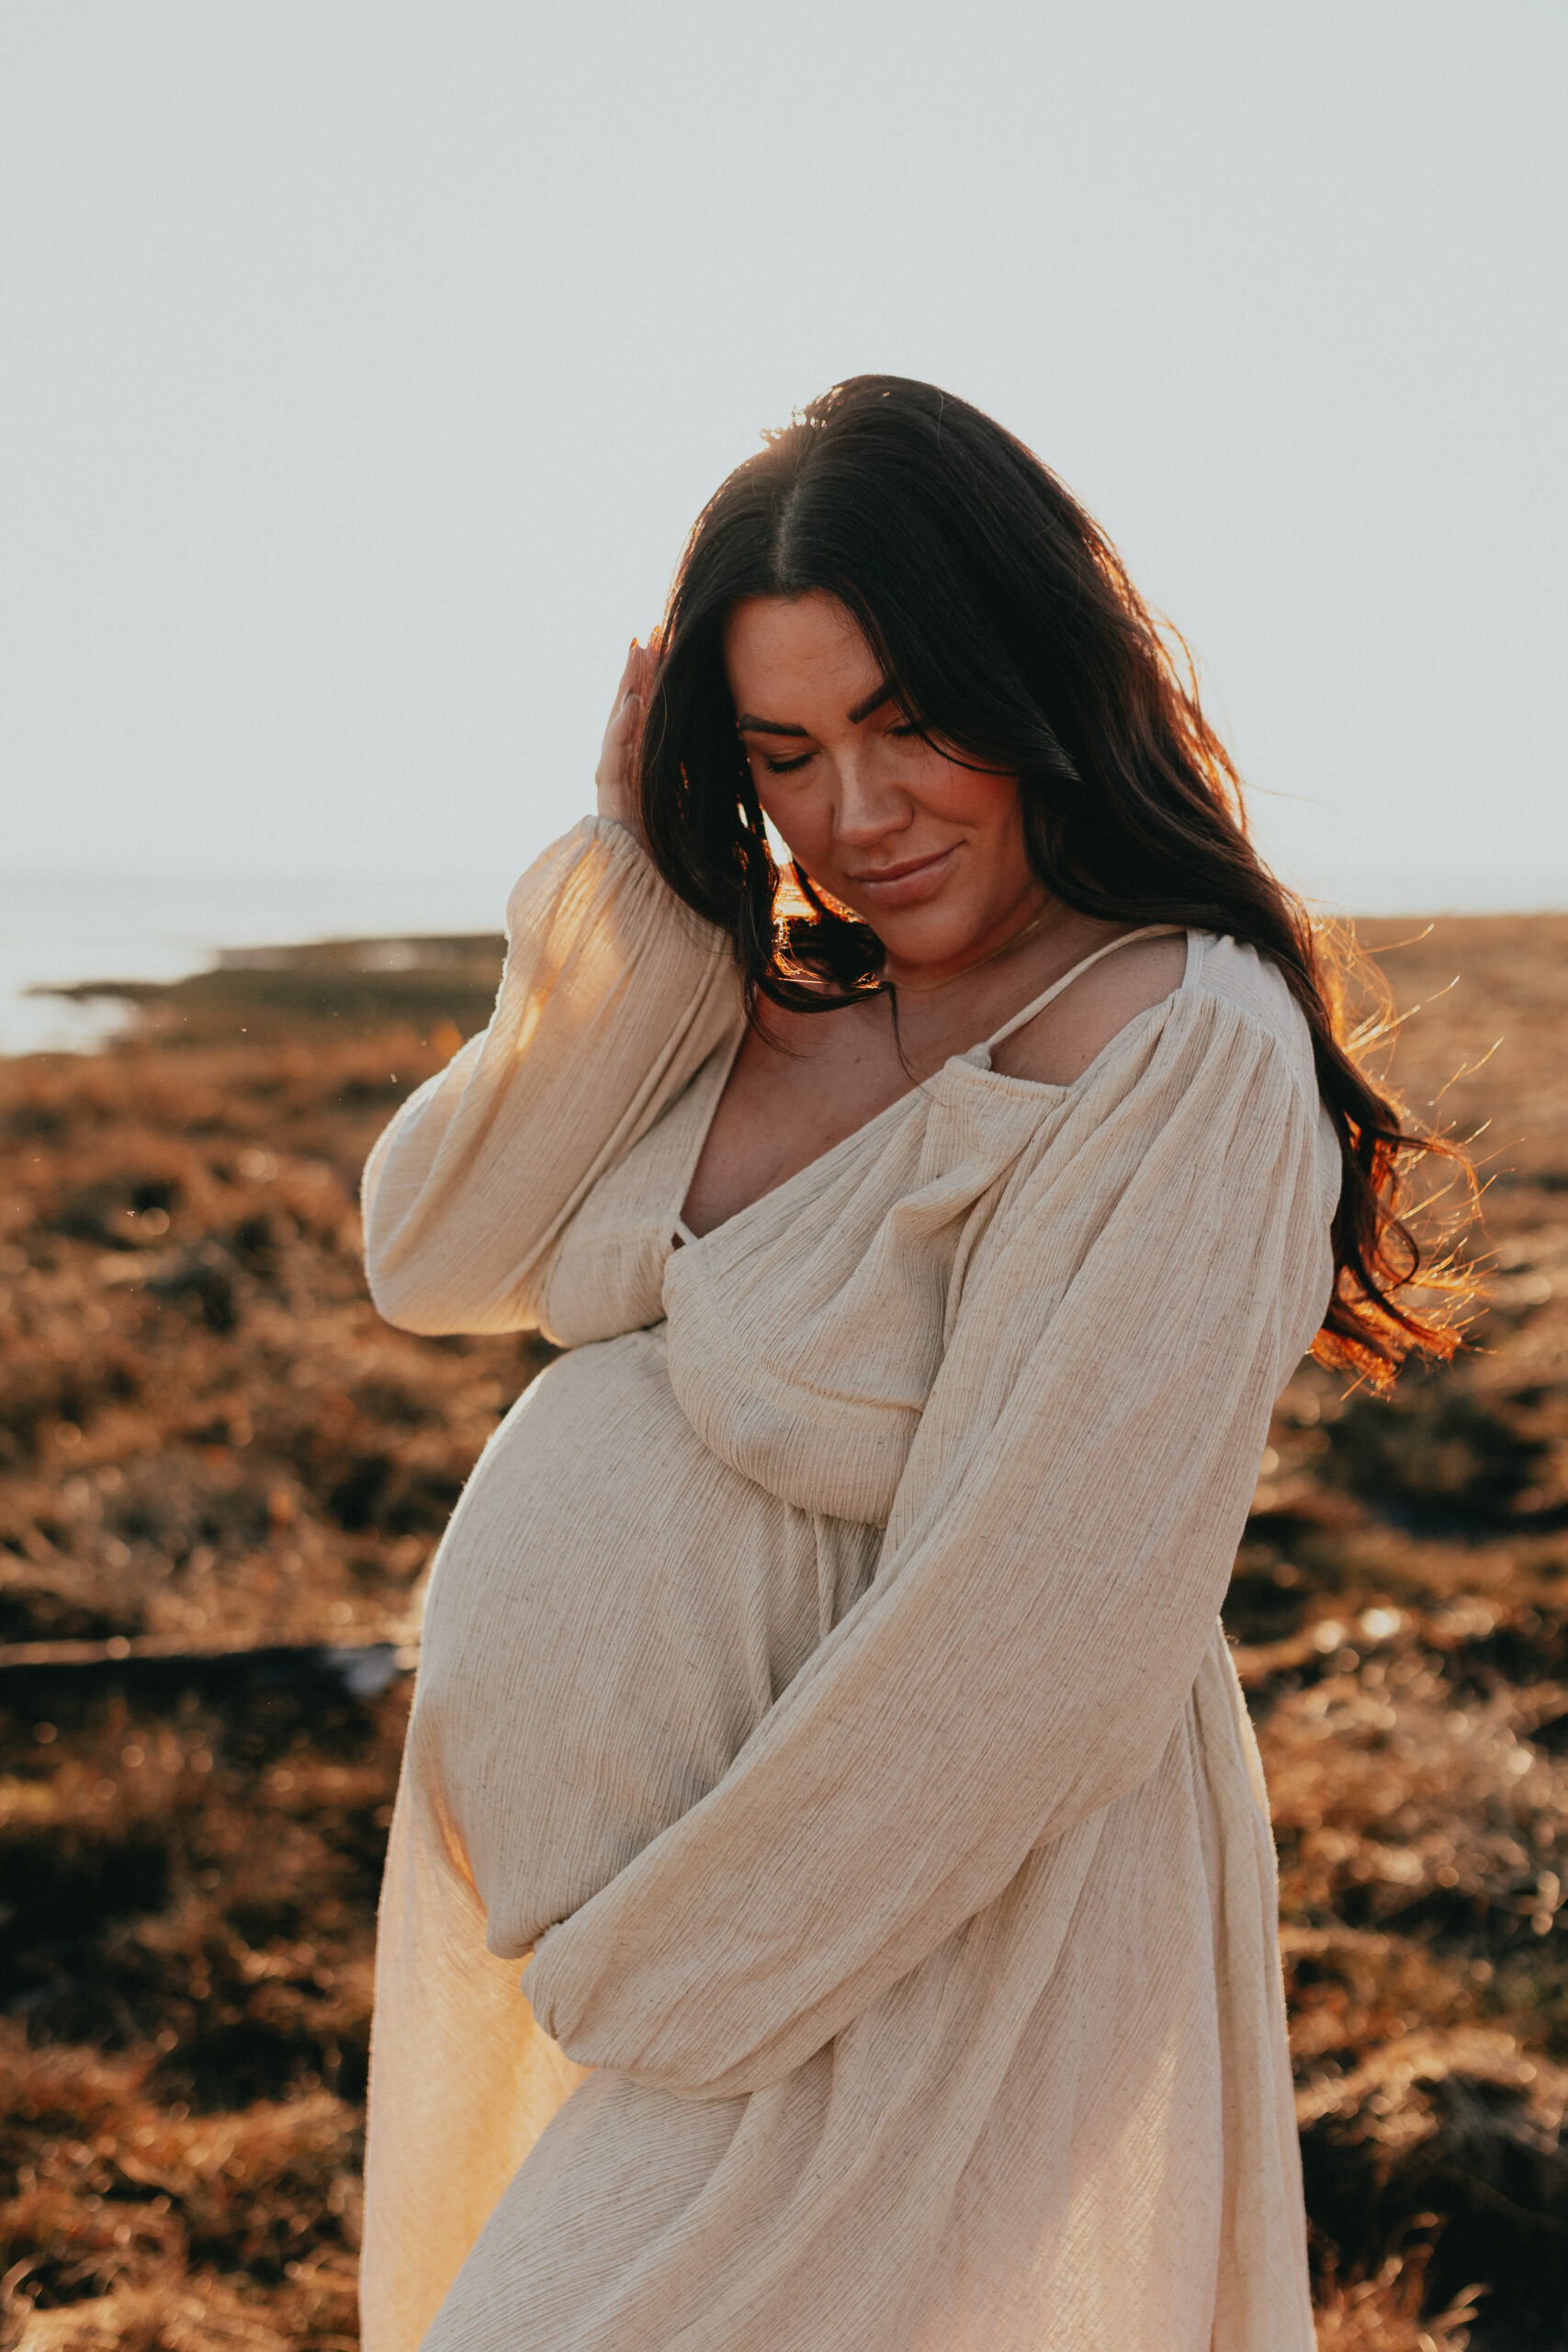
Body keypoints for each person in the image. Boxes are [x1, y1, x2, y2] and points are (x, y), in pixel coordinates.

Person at [356, 377, 1460, 2352]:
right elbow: (431, 1253)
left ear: (1038, 679)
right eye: (780, 751)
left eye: (907, 724)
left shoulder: (1175, 1043)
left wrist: (671, 1979)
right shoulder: (757, 988)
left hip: (915, 1956)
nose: (851, 816)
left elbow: (1029, 1646)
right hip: (718, 1975)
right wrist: (632, 877)